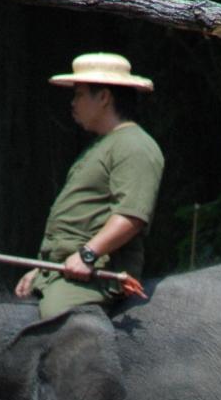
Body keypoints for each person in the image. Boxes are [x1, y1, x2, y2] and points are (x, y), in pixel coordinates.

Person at [16, 52, 164, 321]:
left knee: (58, 322)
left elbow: (131, 216)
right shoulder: (104, 144)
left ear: (104, 97)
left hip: (99, 273)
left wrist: (88, 255)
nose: (73, 103)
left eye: (79, 94)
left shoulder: (135, 145)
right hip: (68, 269)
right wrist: (42, 269)